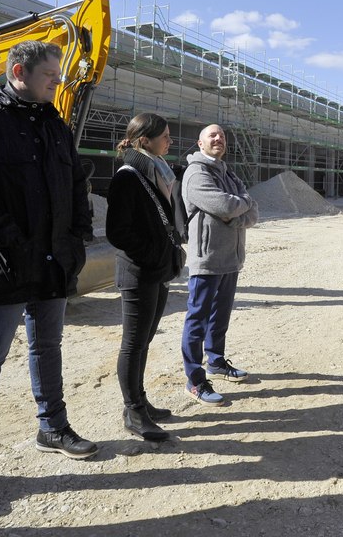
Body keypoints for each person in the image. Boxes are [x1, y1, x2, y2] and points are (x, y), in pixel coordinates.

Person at [0, 40, 98, 517]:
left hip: (52, 262)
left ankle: (52, 426)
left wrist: (77, 236)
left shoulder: (53, 123)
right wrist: (12, 240)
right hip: (6, 263)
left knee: (47, 346)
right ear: (18, 72)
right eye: (50, 74)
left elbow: (75, 184)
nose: (57, 81)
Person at [106, 113, 186, 441]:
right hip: (139, 272)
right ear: (144, 141)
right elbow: (118, 232)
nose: (169, 140)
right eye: (164, 136)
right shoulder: (129, 176)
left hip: (156, 271)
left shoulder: (154, 172)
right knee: (133, 342)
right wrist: (152, 253)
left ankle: (140, 401)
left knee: (145, 341)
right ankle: (133, 411)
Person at [181, 124, 258, 406]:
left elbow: (251, 208)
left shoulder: (228, 172)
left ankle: (215, 361)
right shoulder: (196, 173)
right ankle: (195, 380)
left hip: (230, 259)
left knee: (220, 317)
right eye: (212, 135)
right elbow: (224, 206)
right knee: (197, 320)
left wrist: (240, 209)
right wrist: (240, 207)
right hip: (208, 259)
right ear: (200, 143)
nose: (219, 139)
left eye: (222, 136)